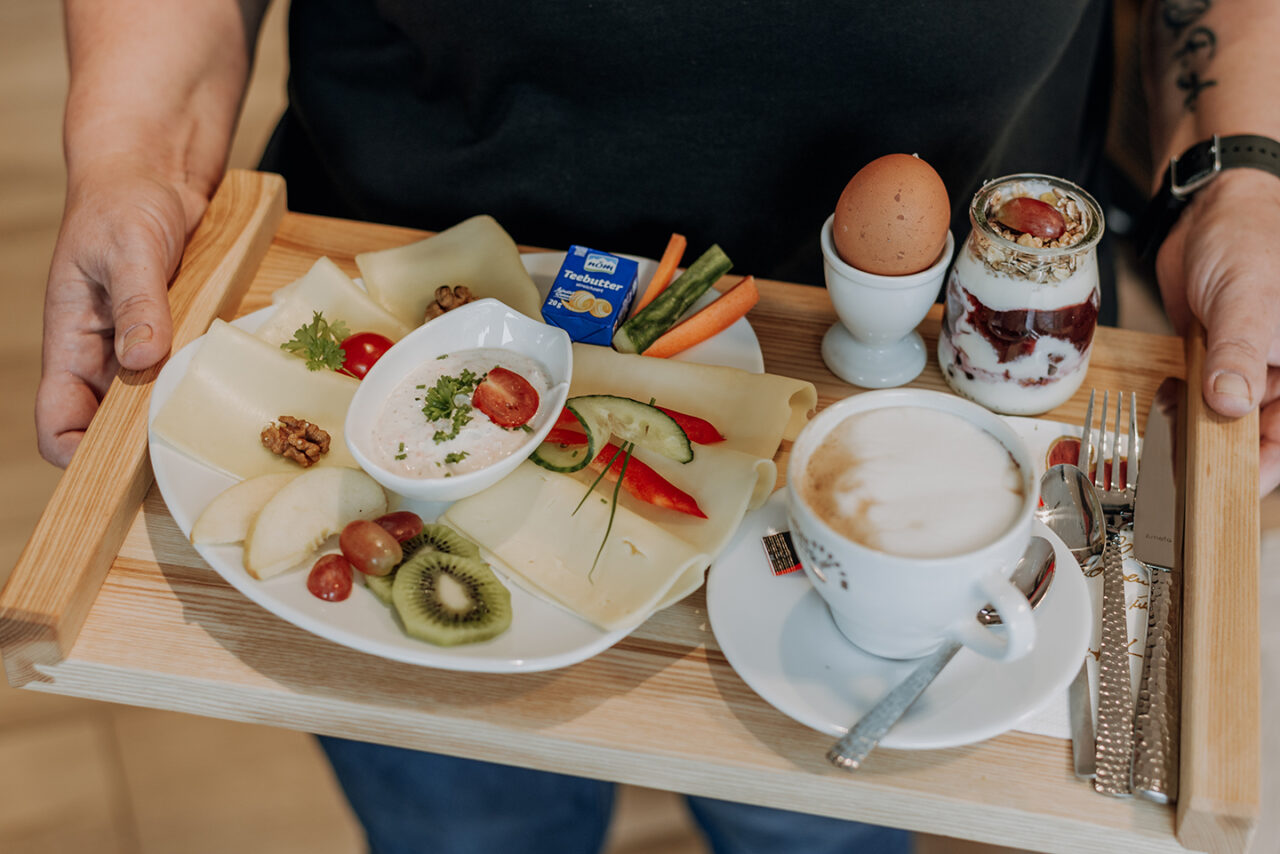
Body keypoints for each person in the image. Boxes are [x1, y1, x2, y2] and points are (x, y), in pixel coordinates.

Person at [34, 0, 1280, 851]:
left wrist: (1237, 174)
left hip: (926, 350)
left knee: (811, 823)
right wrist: (134, 149)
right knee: (467, 825)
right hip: (408, 288)